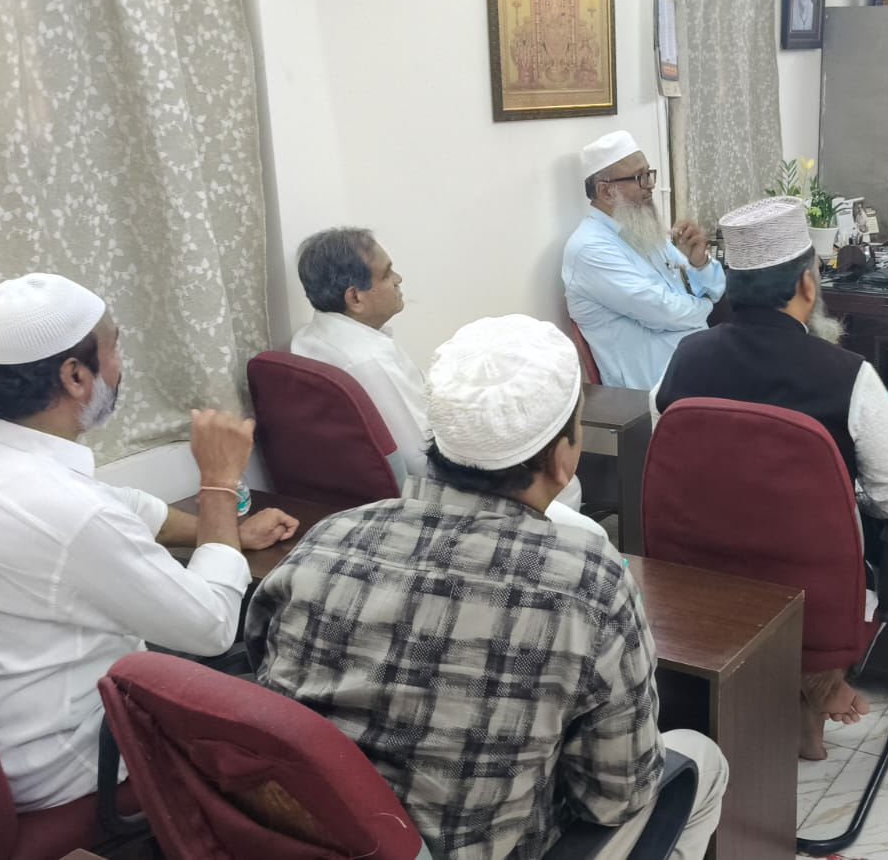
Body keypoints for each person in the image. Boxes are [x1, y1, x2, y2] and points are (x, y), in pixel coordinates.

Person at [247, 315, 727, 860]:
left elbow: (264, 667)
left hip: (315, 838)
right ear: (563, 459)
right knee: (701, 760)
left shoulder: (332, 536)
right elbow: (617, 796)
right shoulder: (588, 582)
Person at [0, 273, 298, 811]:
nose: (121, 364)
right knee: (276, 688)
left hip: (1, 738)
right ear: (75, 376)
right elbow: (212, 626)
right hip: (73, 760)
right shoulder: (70, 514)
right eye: (115, 346)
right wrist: (219, 483)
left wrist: (228, 534)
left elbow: (124, 506)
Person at [651, 197, 888, 762]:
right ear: (807, 285)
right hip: (810, 605)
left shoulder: (684, 358)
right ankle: (819, 678)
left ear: (733, 286)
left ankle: (793, 691)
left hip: (697, 591)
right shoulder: (849, 375)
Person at [291, 226, 594, 535]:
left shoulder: (309, 339)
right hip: (426, 501)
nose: (398, 279)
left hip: (345, 496)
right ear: (355, 297)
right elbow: (421, 456)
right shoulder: (369, 360)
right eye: (387, 274)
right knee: (567, 488)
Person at [563, 130, 724, 389]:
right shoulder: (590, 249)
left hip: (696, 364)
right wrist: (705, 306)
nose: (650, 185)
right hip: (655, 389)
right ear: (606, 191)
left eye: (649, 174)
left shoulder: (642, 229)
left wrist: (699, 263)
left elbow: (716, 290)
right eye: (640, 177)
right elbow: (663, 311)